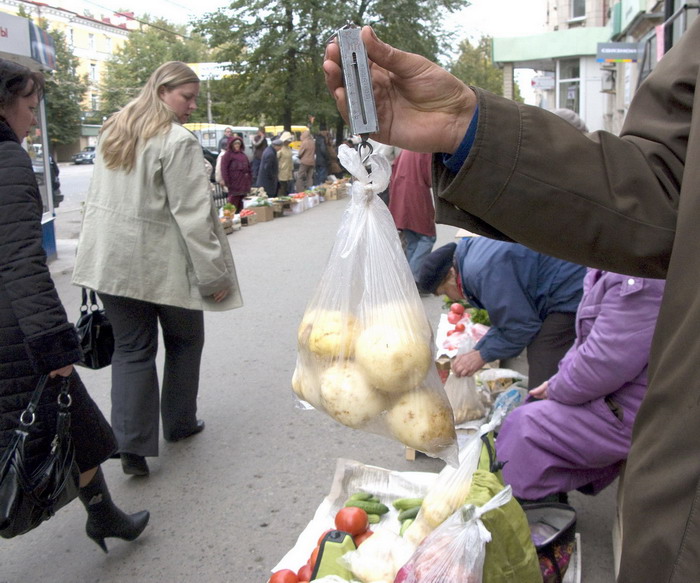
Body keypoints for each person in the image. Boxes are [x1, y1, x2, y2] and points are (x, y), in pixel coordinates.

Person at [324, 23, 700, 582]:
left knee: (527, 425)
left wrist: (558, 381)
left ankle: (540, 512)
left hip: (623, 387)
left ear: (450, 280)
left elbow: (575, 334)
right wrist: (463, 127)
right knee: (533, 411)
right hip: (647, 416)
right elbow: (653, 199)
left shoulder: (491, 266)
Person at [0, 58, 149, 552]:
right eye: (28, 104)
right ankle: (103, 516)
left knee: (78, 424)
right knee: (64, 421)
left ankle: (104, 515)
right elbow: (22, 263)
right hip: (15, 334)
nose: (31, 118)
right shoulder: (7, 159)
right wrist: (53, 346)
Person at [72, 61, 242, 478]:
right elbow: (193, 215)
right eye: (186, 97)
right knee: (186, 341)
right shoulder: (175, 141)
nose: (191, 106)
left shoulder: (115, 129)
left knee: (132, 349)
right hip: (163, 264)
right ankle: (180, 423)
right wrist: (214, 275)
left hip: (111, 262)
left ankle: (131, 446)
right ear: (163, 90)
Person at [496, 269, 665, 502]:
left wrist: (556, 389)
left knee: (524, 427)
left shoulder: (640, 279)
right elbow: (585, 343)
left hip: (633, 410)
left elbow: (603, 364)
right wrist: (556, 382)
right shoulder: (613, 266)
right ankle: (543, 498)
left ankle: (531, 512)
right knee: (532, 409)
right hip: (621, 397)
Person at [418, 238, 585, 388]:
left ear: (451, 276)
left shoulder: (482, 273)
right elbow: (507, 319)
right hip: (563, 273)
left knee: (543, 358)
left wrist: (482, 355)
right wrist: (478, 350)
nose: (451, 298)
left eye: (445, 292)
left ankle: (545, 415)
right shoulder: (468, 256)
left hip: (569, 288)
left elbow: (521, 327)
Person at [387, 149, 436, 282]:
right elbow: (430, 177)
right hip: (416, 196)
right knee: (428, 237)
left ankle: (407, 278)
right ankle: (412, 279)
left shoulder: (406, 150)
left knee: (413, 241)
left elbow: (393, 169)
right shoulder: (425, 149)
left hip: (400, 196)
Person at [221, 134, 252, 212]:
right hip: (234, 183)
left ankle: (241, 217)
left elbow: (248, 168)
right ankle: (231, 217)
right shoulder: (228, 155)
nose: (237, 145)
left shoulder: (243, 155)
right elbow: (224, 169)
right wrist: (227, 182)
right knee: (233, 203)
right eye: (235, 144)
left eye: (238, 144)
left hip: (244, 183)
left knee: (242, 203)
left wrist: (250, 179)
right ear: (232, 145)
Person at [277, 131, 294, 196]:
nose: (289, 142)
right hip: (282, 171)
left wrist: (292, 168)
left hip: (289, 171)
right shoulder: (280, 149)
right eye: (288, 140)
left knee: (288, 188)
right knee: (282, 188)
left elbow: (290, 159)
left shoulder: (289, 148)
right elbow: (276, 159)